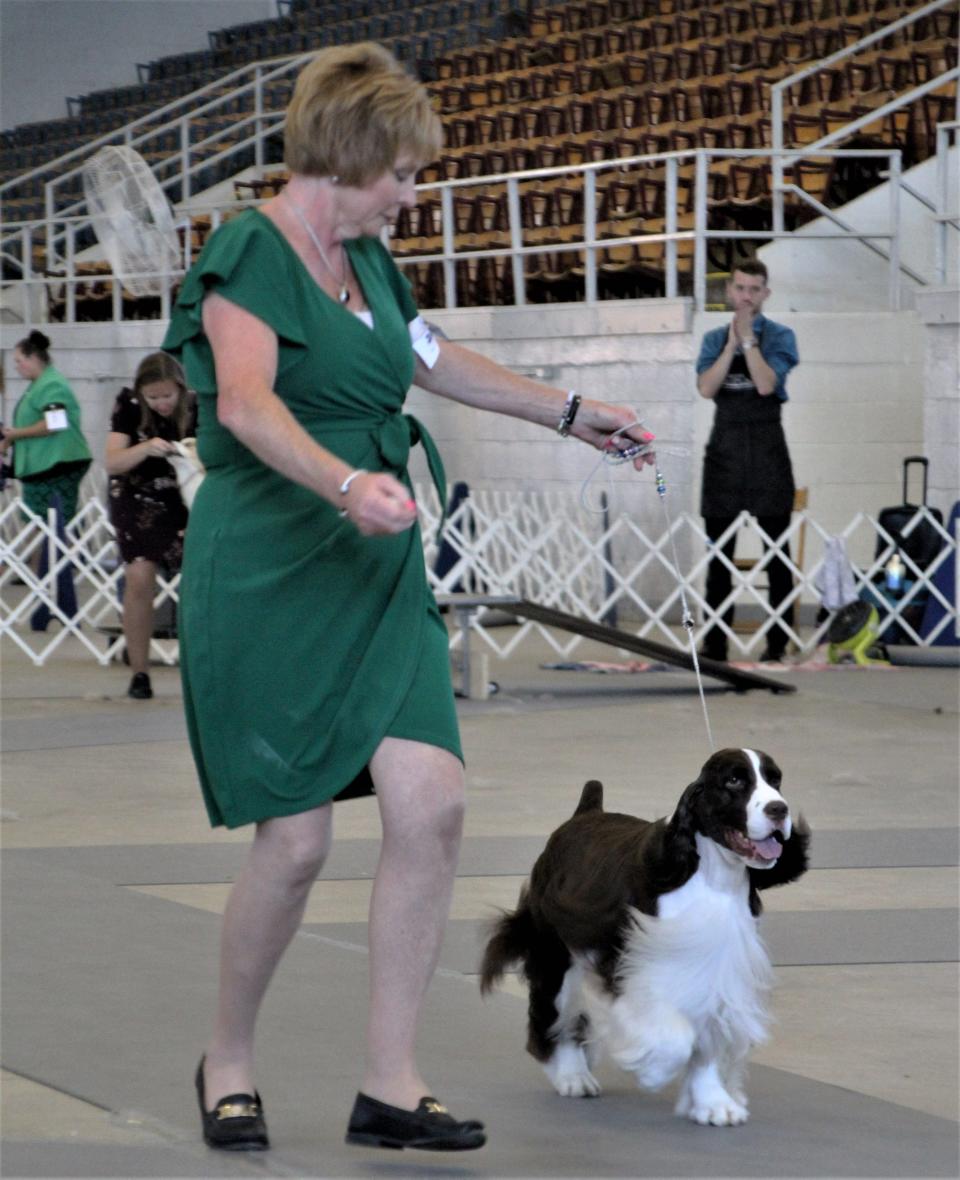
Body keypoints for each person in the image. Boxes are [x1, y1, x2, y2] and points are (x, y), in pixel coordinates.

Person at [161, 41, 654, 1156]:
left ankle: (391, 1079)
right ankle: (228, 1056)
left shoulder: (371, 259)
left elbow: (429, 361)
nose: (416, 193)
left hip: (375, 559)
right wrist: (342, 482)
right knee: (291, 848)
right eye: (406, 173)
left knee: (430, 803)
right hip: (279, 557)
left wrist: (571, 411)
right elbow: (241, 405)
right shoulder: (249, 251)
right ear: (350, 155)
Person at [695, 261, 799, 664]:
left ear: (765, 294)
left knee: (778, 554)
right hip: (724, 452)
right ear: (729, 292)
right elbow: (707, 388)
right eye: (740, 288)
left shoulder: (782, 337)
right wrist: (730, 346)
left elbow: (765, 384)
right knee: (719, 556)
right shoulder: (710, 340)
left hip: (769, 451)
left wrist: (751, 342)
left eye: (754, 289)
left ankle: (778, 642)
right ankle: (715, 643)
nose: (746, 296)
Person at [104, 352, 197, 700]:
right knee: (139, 577)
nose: (160, 403)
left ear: (181, 389)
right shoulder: (126, 404)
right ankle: (139, 672)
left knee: (200, 579)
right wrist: (145, 448)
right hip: (135, 495)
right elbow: (112, 461)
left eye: (167, 396)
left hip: (184, 497)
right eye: (153, 397)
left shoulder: (197, 406)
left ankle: (201, 666)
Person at [1, 330, 91, 526]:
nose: (16, 367)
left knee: (46, 522)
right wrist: (9, 440)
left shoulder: (51, 384)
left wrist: (16, 434)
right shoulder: (40, 384)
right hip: (46, 462)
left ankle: (60, 556)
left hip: (56, 463)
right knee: (50, 522)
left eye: (19, 361)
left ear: (33, 358)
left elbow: (55, 423)